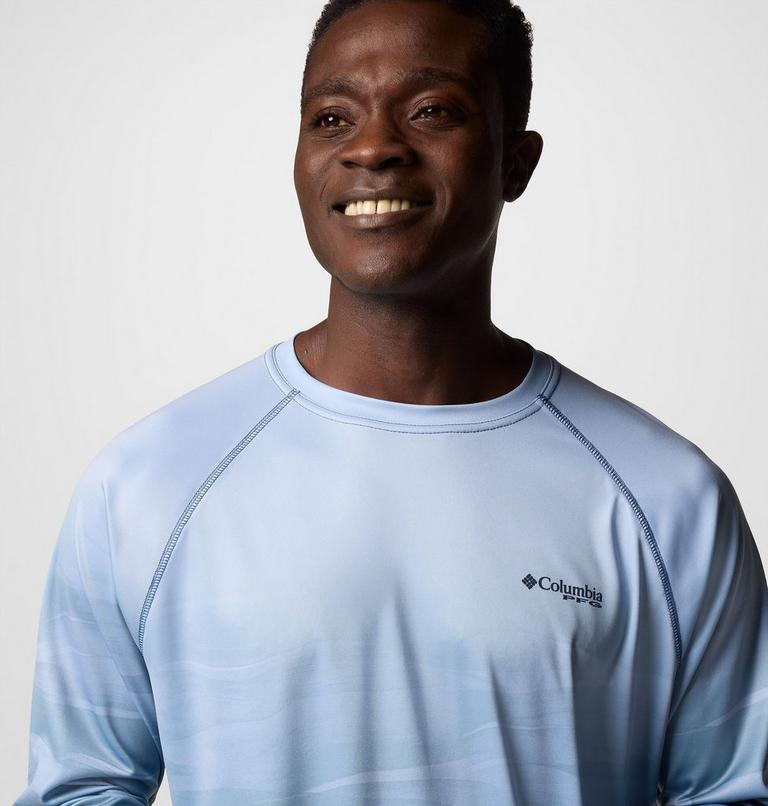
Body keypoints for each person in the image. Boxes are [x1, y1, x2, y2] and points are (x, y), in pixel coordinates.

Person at [15, 0, 768, 804]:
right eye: (331, 118)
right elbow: (80, 790)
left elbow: (732, 792)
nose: (372, 146)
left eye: (432, 110)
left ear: (516, 163)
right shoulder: (146, 483)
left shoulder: (666, 496)